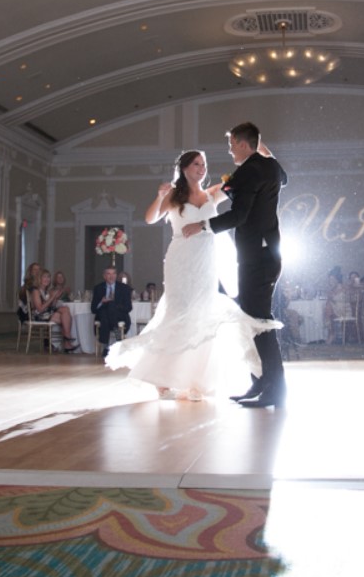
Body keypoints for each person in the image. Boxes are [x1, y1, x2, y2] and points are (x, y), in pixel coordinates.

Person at [108, 149, 278, 399]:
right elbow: (150, 218)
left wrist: (260, 149)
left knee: (202, 316)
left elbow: (242, 178)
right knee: (178, 314)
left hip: (206, 261)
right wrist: (159, 196)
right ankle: (162, 380)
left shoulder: (211, 194)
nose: (202, 168)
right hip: (180, 259)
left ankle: (195, 380)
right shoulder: (175, 196)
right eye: (197, 164)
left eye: (204, 164)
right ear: (185, 168)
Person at [182, 123, 288, 408]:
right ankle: (262, 382)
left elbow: (238, 216)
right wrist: (263, 149)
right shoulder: (271, 168)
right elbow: (285, 177)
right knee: (254, 322)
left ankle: (275, 389)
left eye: (231, 145)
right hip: (266, 255)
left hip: (256, 258)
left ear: (243, 144)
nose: (229, 151)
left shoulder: (249, 171)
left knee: (260, 323)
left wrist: (201, 225)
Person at [31, 269, 79, 351]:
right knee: (65, 315)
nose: (47, 279)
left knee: (65, 310)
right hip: (40, 316)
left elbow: (51, 306)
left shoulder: (45, 291)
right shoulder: (36, 291)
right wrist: (52, 297)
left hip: (48, 314)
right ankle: (67, 340)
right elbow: (40, 309)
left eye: (48, 277)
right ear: (39, 279)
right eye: (44, 277)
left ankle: (66, 340)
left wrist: (55, 299)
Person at [92, 266, 132, 358]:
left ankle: (106, 347)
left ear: (116, 275)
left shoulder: (124, 288)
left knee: (110, 307)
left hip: (120, 315)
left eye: (113, 273)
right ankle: (118, 339)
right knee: (105, 314)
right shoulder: (98, 288)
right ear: (104, 276)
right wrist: (101, 302)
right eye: (108, 274)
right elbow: (93, 309)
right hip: (104, 316)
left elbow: (128, 308)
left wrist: (114, 305)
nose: (111, 276)